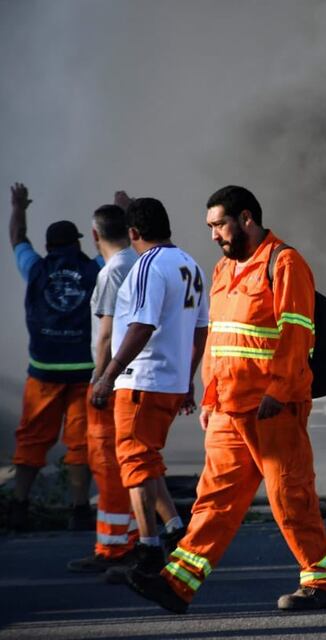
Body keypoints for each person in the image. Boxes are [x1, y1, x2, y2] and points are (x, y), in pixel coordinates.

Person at [126, 185, 326, 614]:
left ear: (246, 218)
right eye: (210, 227)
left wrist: (279, 391)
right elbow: (218, 339)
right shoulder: (224, 269)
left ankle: (321, 584)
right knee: (214, 500)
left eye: (219, 224)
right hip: (227, 407)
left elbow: (296, 334)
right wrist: (209, 397)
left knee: (289, 497)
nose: (213, 235)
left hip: (271, 408)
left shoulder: (285, 263)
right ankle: (177, 584)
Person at [89, 197, 208, 577]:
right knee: (148, 458)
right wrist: (187, 378)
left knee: (136, 463)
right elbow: (201, 330)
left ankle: (148, 549)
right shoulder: (190, 265)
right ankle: (175, 530)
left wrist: (108, 374)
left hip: (142, 379)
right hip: (170, 381)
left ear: (133, 232)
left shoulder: (147, 266)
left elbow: (141, 326)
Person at [7, 182, 100, 531]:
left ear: (48, 247)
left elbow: (17, 238)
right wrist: (122, 211)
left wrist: (19, 208)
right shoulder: (96, 269)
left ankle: (18, 507)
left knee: (31, 438)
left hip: (43, 371)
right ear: (77, 243)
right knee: (80, 443)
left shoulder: (34, 268)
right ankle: (79, 510)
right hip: (84, 372)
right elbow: (116, 246)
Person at [67, 193, 142, 573]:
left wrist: (100, 378)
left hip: (111, 381)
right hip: (133, 378)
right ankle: (135, 539)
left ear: (95, 235)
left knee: (107, 463)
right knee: (129, 462)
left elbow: (107, 334)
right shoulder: (139, 261)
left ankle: (114, 548)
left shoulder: (112, 271)